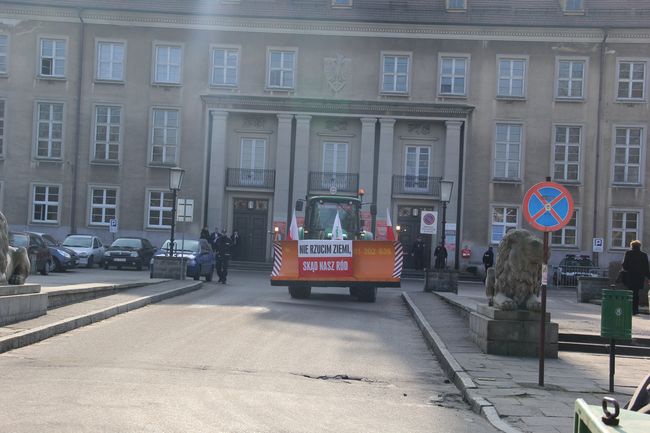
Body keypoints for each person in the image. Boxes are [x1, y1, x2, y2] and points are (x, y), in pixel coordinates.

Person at [621, 239, 649, 316]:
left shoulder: (628, 253)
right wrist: (648, 277)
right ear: (639, 246)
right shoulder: (644, 255)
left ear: (632, 246)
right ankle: (635, 310)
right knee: (636, 293)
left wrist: (628, 270)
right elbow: (646, 267)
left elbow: (624, 265)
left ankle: (629, 308)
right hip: (639, 277)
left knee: (630, 292)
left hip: (630, 277)